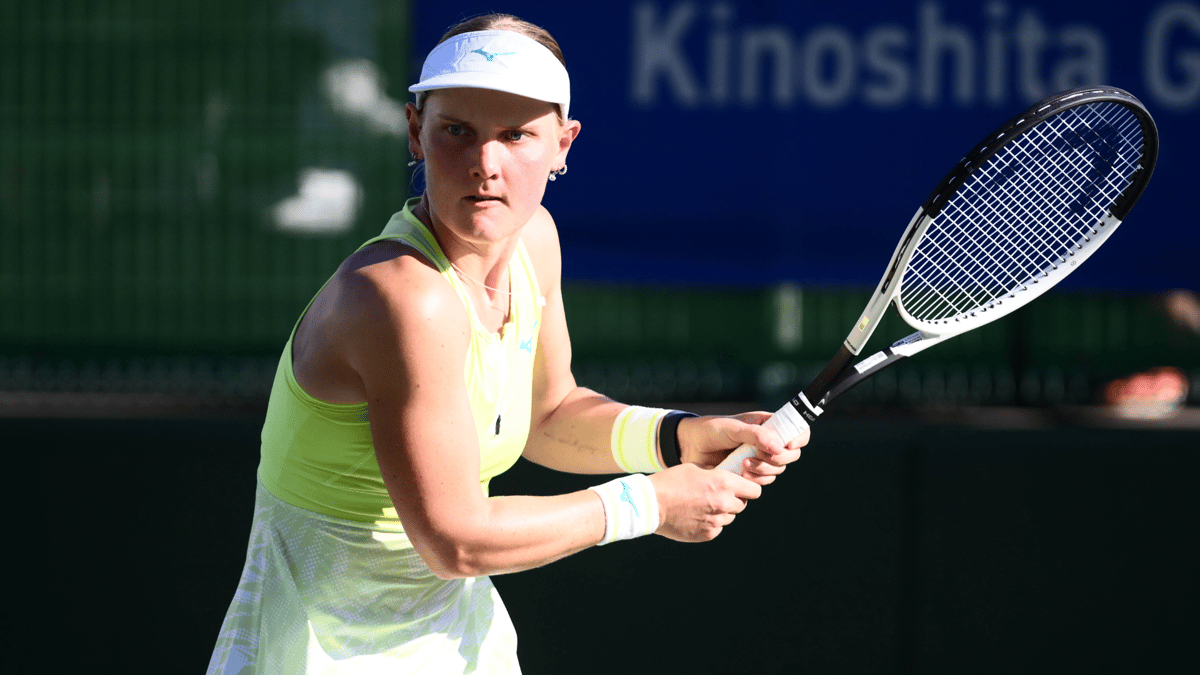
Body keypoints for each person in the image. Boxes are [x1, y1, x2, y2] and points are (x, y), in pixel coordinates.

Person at [207, 13, 807, 675]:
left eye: (516, 134)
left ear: (563, 145)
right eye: (456, 131)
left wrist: (679, 437)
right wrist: (651, 501)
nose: (485, 163)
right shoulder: (401, 297)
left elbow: (548, 415)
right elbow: (454, 540)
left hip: (459, 645)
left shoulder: (533, 242)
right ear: (415, 132)